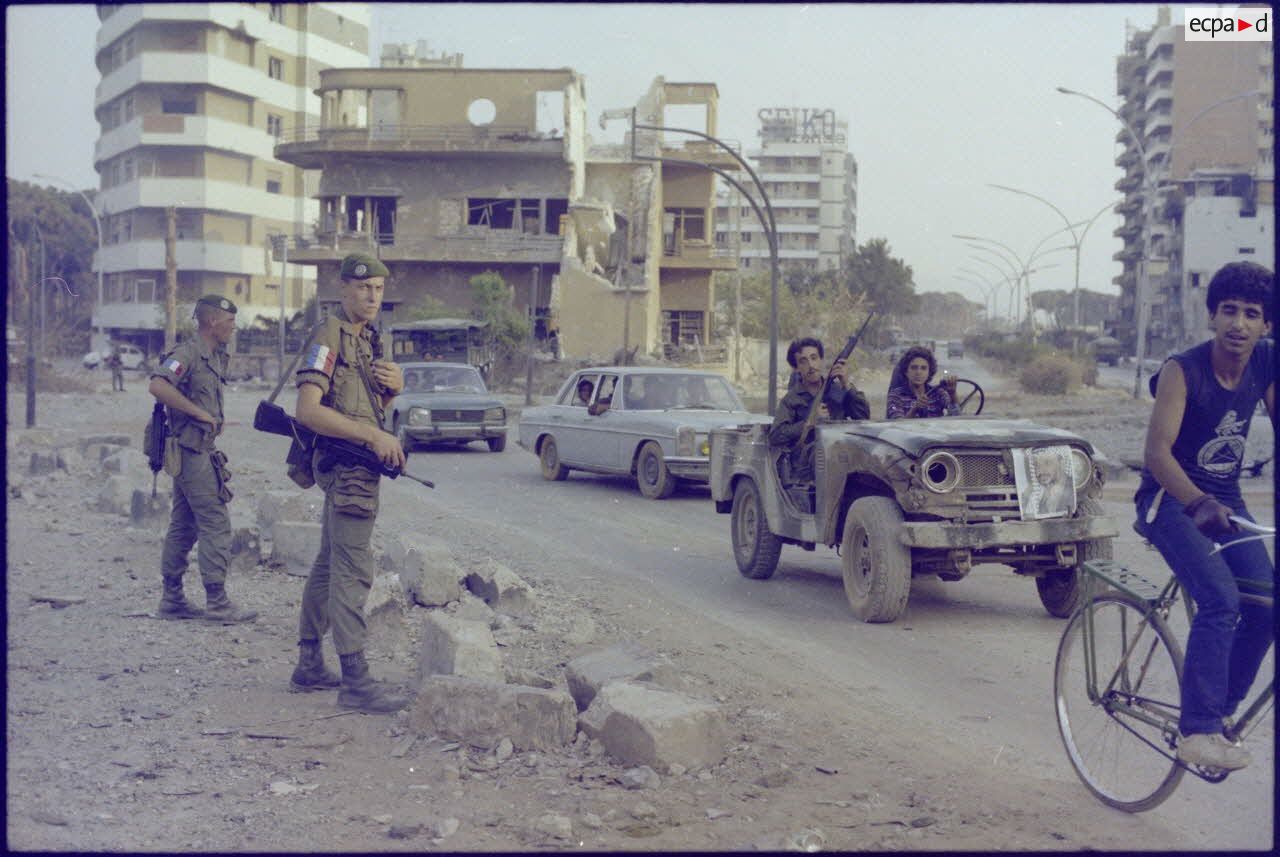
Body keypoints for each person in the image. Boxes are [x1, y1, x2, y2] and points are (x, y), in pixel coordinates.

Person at [1134, 261, 1274, 771]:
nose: (1239, 323)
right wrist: (1196, 501)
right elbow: (1157, 453)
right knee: (1221, 600)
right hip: (1168, 498)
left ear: (1266, 325)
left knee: (1266, 605)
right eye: (1229, 311)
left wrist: (1217, 501)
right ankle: (1197, 732)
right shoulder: (1182, 369)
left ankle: (1218, 714)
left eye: (1252, 314)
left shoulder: (1265, 364)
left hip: (1225, 497)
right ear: (1213, 316)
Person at [292, 252, 409, 713]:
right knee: (353, 569)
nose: (372, 296)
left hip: (357, 463)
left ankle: (308, 664)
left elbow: (365, 401)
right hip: (347, 466)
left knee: (327, 563)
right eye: (363, 288)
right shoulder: (329, 337)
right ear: (343, 289)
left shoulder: (367, 339)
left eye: (378, 289)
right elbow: (309, 410)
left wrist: (395, 388)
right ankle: (356, 681)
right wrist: (374, 435)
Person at [149, 295, 256, 624]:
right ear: (212, 322)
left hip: (197, 451)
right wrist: (199, 413)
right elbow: (157, 385)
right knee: (215, 523)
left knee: (183, 524)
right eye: (229, 322)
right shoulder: (188, 353)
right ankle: (218, 603)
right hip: (190, 450)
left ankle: (172, 600)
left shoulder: (214, 355)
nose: (232, 328)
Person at [769, 336, 870, 483]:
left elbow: (863, 417)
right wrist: (808, 423)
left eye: (814, 358)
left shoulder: (836, 390)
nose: (811, 365)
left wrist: (846, 384)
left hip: (842, 452)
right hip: (807, 466)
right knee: (822, 453)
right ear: (796, 368)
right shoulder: (791, 400)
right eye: (803, 361)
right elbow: (776, 435)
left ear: (821, 360)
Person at [885, 346, 957, 419]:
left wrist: (952, 395)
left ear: (929, 372)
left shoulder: (938, 394)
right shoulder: (896, 396)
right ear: (906, 371)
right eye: (914, 368)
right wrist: (914, 409)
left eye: (923, 368)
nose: (918, 372)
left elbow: (956, 417)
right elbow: (897, 425)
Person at [1031, 448, 1071, 516]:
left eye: (1047, 463)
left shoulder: (1076, 488)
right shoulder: (1041, 494)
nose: (1039, 471)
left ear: (1061, 463)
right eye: (1036, 465)